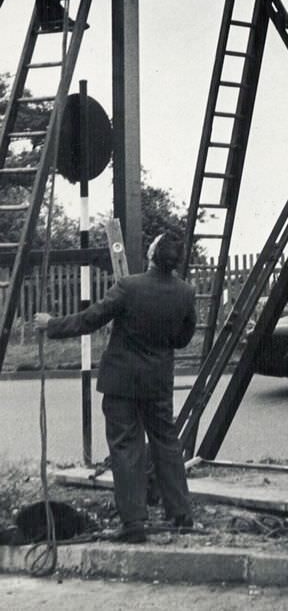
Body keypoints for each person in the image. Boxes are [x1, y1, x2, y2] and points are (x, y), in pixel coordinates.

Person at [35, 231, 196, 543]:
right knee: (167, 445)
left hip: (121, 381)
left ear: (151, 255)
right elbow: (183, 338)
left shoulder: (128, 286)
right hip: (158, 382)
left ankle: (134, 522)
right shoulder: (186, 293)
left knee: (125, 448)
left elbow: (90, 320)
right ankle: (181, 516)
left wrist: (51, 325)